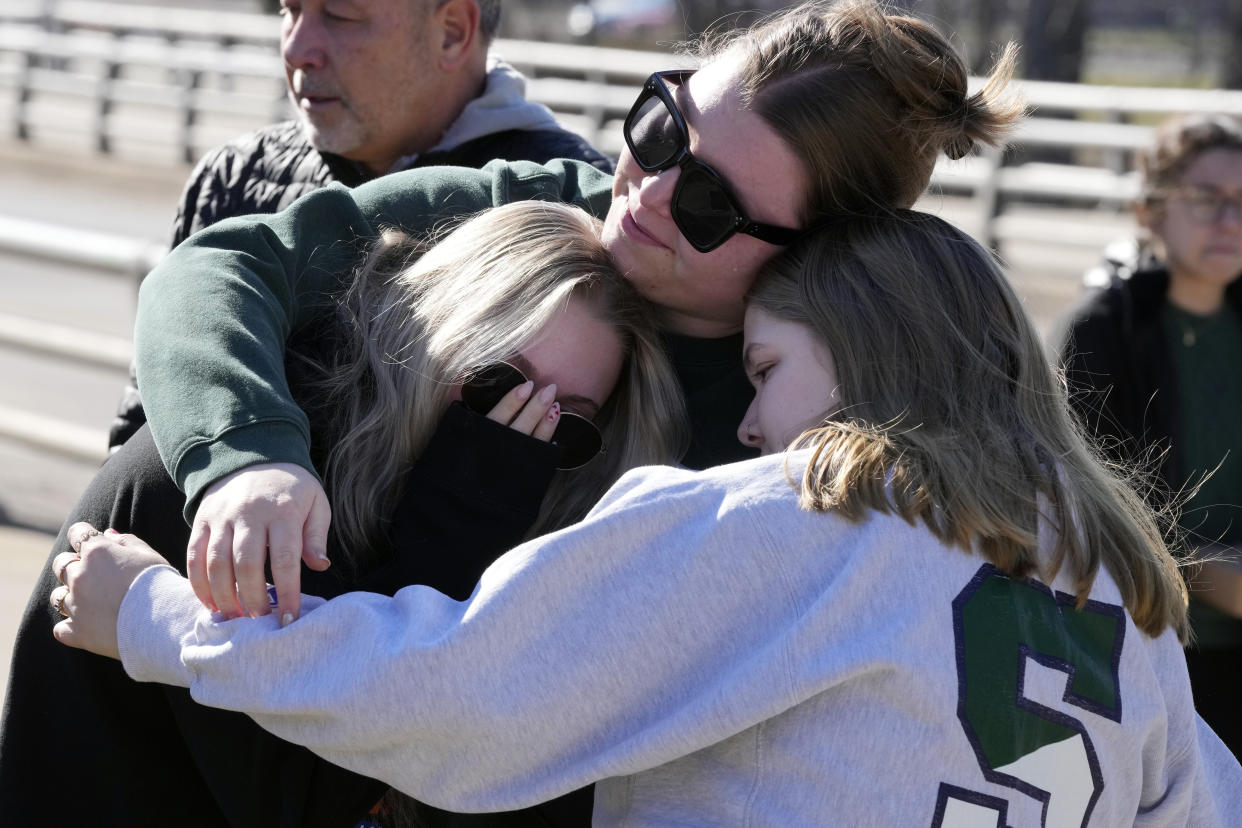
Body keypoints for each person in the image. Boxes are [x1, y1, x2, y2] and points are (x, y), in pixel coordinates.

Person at [4, 0, 1023, 822]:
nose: (647, 193)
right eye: (659, 125)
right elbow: (225, 270)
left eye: (709, 203)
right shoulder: (544, 205)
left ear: (811, 253)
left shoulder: (817, 410)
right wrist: (248, 457)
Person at [54, 210, 1242, 825]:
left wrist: (160, 618)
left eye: (769, 371)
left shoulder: (797, 517)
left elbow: (458, 697)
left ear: (870, 364)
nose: (749, 425)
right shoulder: (1116, 590)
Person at [0, 201, 685, 826]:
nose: (517, 443)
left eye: (564, 427)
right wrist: (461, 515)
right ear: (430, 336)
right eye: (496, 384)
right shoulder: (256, 488)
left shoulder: (507, 506)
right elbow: (315, 793)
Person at [107, 0, 615, 449]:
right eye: (290, 10)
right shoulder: (237, 174)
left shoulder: (578, 210)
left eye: (340, 15)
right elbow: (149, 423)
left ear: (453, 31)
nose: (298, 48)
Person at [1052, 113, 1242, 758]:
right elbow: (1086, 502)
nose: (1230, 220)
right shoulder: (1103, 333)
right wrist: (1204, 574)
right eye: (1206, 198)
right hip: (1151, 645)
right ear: (1149, 211)